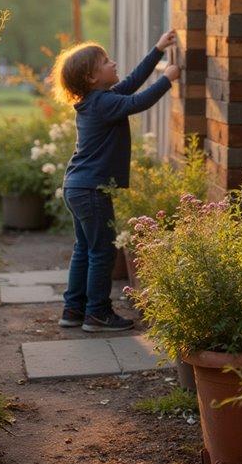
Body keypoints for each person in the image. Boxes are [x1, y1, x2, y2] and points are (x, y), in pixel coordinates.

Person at [51, 31, 180, 332]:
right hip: (91, 190)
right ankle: (97, 313)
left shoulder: (97, 100)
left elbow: (132, 82)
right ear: (91, 77)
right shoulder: (104, 103)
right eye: (106, 61)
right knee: (102, 251)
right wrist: (167, 79)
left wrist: (158, 50)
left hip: (77, 186)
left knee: (84, 249)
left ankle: (74, 309)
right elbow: (138, 100)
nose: (114, 63)